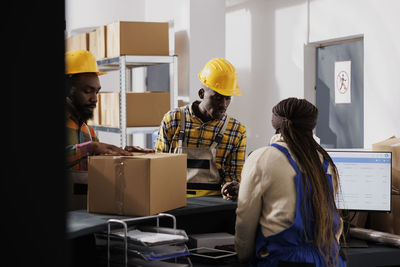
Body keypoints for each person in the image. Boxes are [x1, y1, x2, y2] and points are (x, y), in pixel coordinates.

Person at [235, 98, 346, 267]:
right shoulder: (326, 163)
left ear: (275, 124)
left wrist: (244, 258)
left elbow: (245, 221)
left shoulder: (262, 157)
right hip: (328, 259)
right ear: (311, 126)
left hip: (283, 261)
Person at [156, 58, 247, 200]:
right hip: (173, 201)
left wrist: (232, 187)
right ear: (201, 93)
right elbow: (158, 166)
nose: (223, 105)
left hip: (214, 207)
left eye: (228, 98)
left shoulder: (236, 131)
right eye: (217, 97)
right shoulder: (173, 120)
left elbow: (234, 176)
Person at [65, 49, 153, 171]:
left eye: (96, 92)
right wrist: (90, 147)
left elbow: (95, 158)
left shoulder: (87, 130)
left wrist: (122, 152)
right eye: (87, 91)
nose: (95, 99)